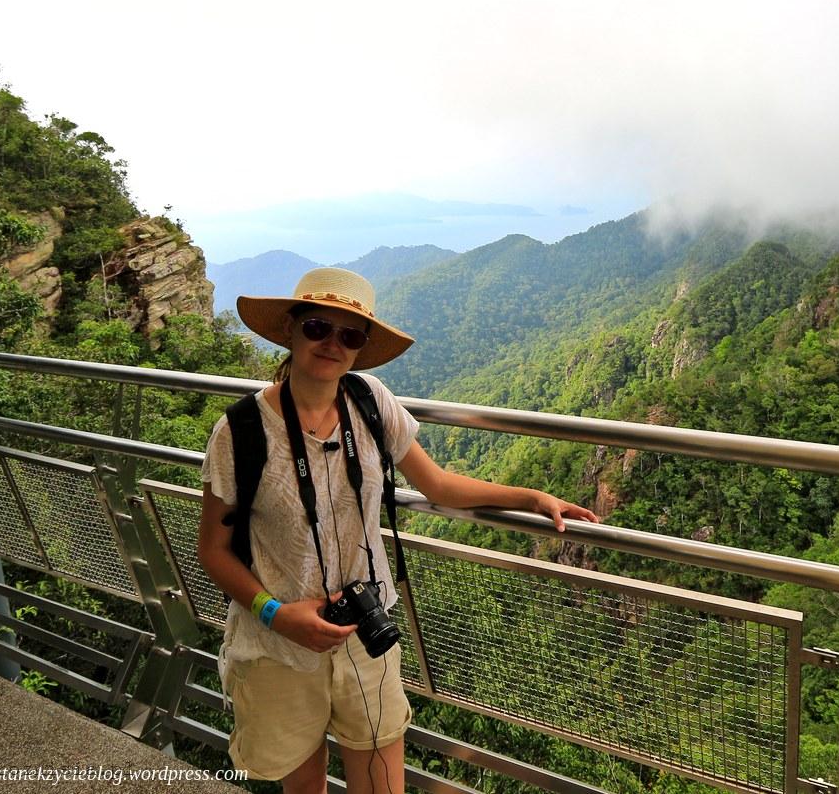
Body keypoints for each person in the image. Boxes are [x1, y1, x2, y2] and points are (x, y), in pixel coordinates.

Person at [197, 267, 597, 794]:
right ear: (291, 330)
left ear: (361, 349)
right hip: (279, 645)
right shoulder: (241, 432)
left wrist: (531, 498)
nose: (332, 344)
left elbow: (437, 485)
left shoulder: (370, 403)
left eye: (350, 335)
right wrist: (275, 613)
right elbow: (213, 549)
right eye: (318, 327)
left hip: (367, 629)